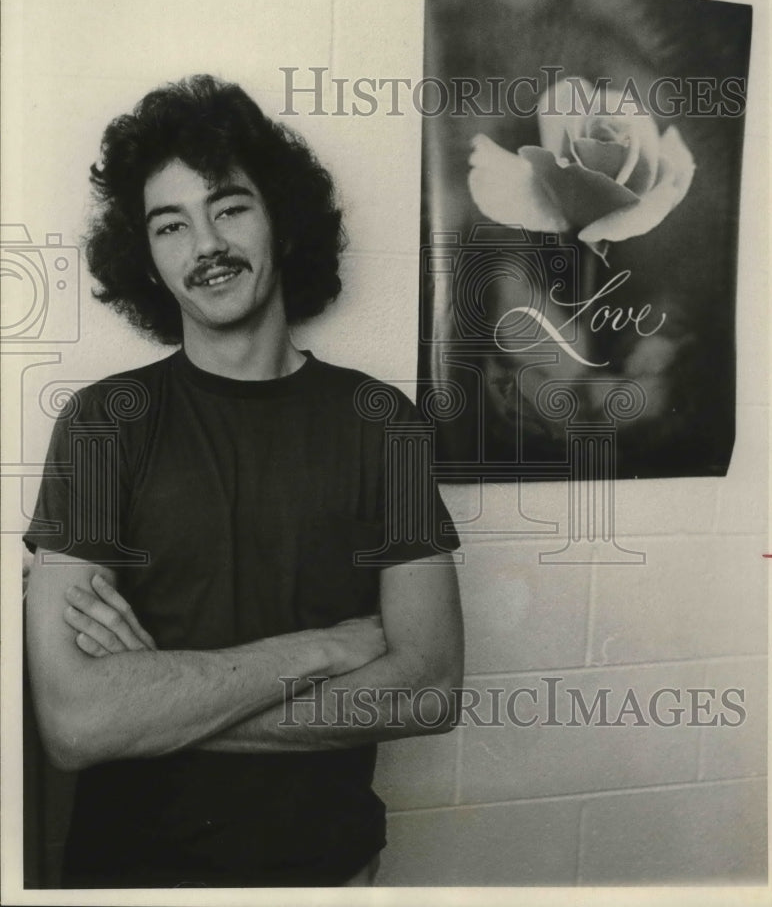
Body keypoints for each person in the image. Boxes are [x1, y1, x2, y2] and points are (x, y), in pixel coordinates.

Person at [23, 75, 463, 888]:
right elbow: (76, 724)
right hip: (133, 880)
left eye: (228, 207)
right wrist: (330, 646)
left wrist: (153, 708)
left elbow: (427, 691)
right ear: (146, 259)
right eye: (170, 225)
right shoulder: (102, 423)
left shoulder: (381, 421)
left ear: (279, 222)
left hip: (329, 875)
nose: (205, 246)